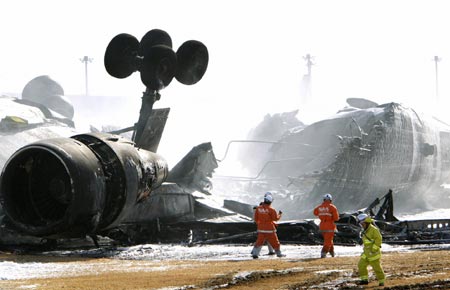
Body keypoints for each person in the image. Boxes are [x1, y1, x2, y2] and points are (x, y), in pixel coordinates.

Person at [251, 192, 285, 258]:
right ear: (270, 202)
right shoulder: (271, 210)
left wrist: (260, 224)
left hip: (261, 229)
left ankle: (255, 254)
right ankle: (279, 254)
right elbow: (275, 219)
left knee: (259, 242)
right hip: (270, 230)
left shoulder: (258, 208)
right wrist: (280, 214)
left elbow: (256, 219)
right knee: (275, 242)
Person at [356, 213, 386, 287]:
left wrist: (374, 249)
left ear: (366, 222)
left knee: (377, 268)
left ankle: (382, 281)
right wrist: (361, 240)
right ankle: (364, 280)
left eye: (362, 224)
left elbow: (379, 239)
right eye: (361, 224)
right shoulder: (365, 230)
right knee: (361, 265)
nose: (361, 225)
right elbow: (367, 240)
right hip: (366, 252)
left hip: (373, 253)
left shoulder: (374, 230)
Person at [313, 193, 339, 258]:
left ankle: (332, 252)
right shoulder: (332, 207)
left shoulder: (319, 207)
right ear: (330, 200)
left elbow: (315, 213)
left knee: (328, 239)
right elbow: (336, 218)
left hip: (322, 226)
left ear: (324, 199)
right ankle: (323, 252)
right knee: (328, 241)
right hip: (330, 226)